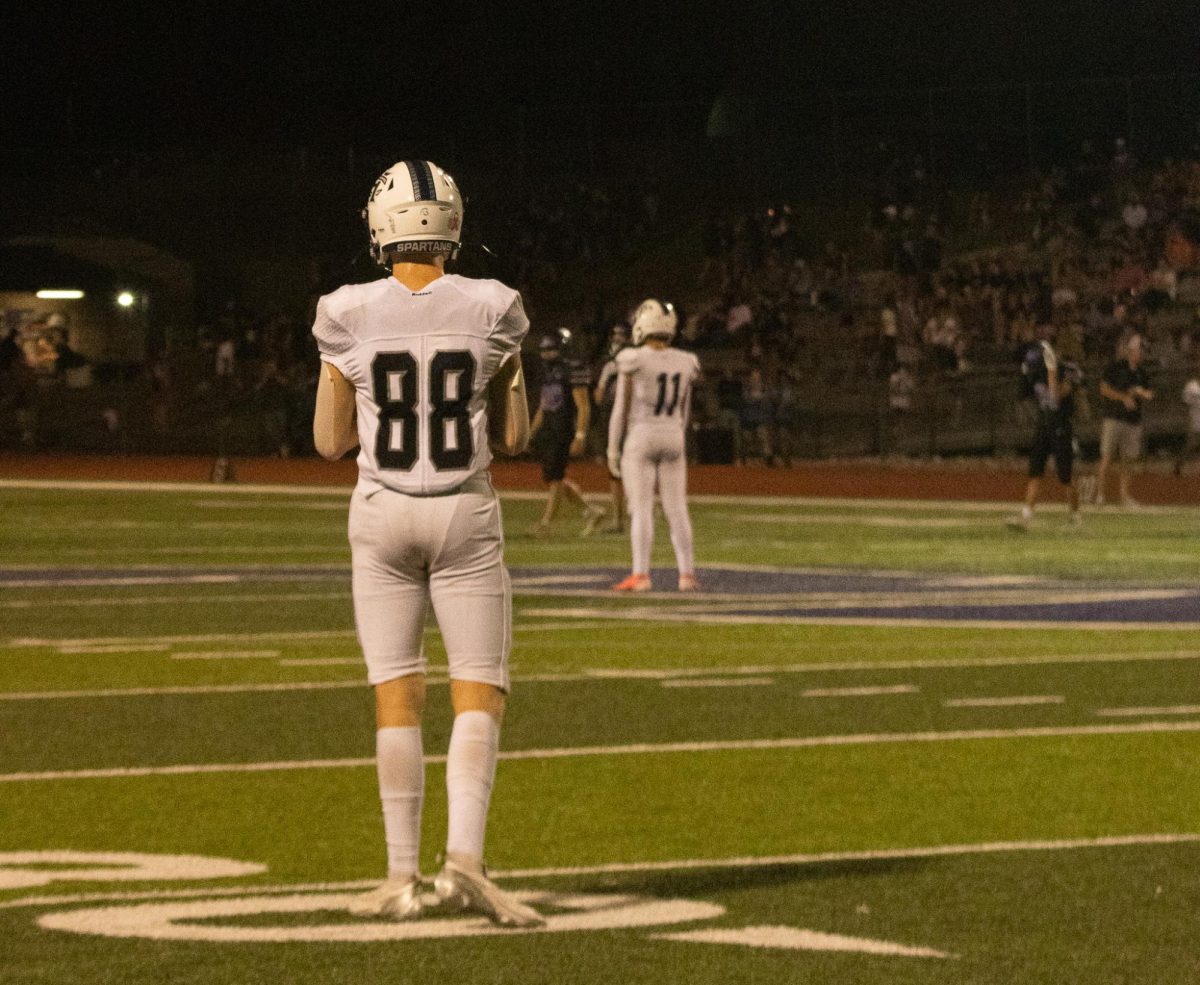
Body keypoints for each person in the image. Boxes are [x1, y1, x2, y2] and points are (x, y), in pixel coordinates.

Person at [311, 159, 542, 928]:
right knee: (478, 687)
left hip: (381, 512)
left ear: (379, 227)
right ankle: (466, 863)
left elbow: (329, 442)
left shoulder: (344, 310)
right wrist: (506, 375)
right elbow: (513, 436)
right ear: (452, 224)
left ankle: (399, 875)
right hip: (463, 511)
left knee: (395, 691)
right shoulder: (495, 305)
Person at [607, 298, 701, 592]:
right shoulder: (686, 361)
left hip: (642, 434)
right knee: (677, 508)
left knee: (642, 508)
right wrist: (678, 436)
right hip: (673, 434)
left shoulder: (633, 358)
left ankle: (641, 574)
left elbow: (620, 408)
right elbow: (685, 410)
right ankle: (686, 574)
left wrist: (613, 448)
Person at [528, 327, 606, 536]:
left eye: (551, 349)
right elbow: (544, 406)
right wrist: (531, 432)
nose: (547, 354)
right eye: (544, 350)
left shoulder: (573, 369)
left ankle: (546, 524)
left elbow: (583, 406)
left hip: (563, 430)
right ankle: (592, 510)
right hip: (549, 430)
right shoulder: (547, 371)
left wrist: (580, 434)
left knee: (555, 478)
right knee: (556, 478)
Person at [1006, 332, 1084, 530]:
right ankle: (1026, 514)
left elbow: (1056, 397)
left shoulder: (1069, 370)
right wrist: (1024, 373)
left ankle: (1076, 515)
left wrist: (1051, 371)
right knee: (1035, 471)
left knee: (1065, 476)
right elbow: (1021, 394)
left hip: (1061, 426)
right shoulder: (1035, 368)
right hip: (1044, 425)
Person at [1095, 333, 1154, 507]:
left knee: (1128, 459)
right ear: (1131, 350)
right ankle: (1100, 494)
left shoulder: (1142, 372)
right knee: (1107, 456)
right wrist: (1123, 397)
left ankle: (1124, 495)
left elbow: (1150, 393)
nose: (1141, 353)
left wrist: (1140, 393)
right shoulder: (1115, 367)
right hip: (1114, 417)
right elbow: (1104, 389)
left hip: (1133, 420)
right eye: (1139, 349)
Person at [592, 322, 630, 533]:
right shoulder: (612, 364)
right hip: (629, 422)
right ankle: (622, 517)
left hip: (625, 421)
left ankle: (621, 518)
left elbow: (598, 397)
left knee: (619, 468)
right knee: (620, 469)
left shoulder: (612, 365)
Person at [1175, 359, 1200, 477]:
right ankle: (1179, 464)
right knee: (1190, 445)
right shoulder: (1191, 386)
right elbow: (1184, 401)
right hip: (1196, 420)